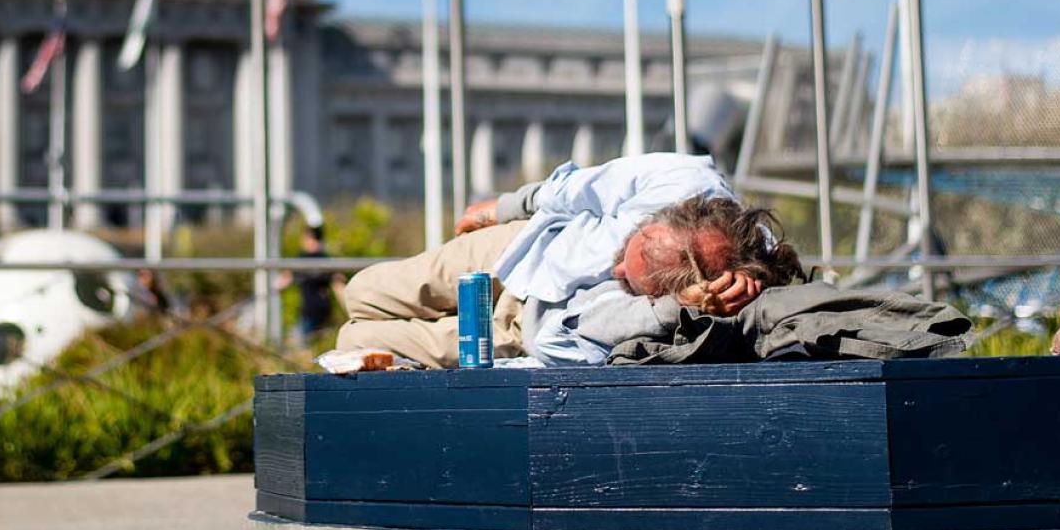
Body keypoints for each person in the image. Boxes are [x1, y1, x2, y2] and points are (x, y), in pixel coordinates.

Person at [335, 153, 803, 367]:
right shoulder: (680, 179)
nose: (616, 272)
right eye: (629, 251)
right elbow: (576, 188)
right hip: (523, 250)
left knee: (356, 337)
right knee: (363, 293)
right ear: (668, 217)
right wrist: (504, 207)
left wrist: (684, 304)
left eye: (633, 282)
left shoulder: (713, 291)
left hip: (523, 329)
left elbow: (587, 331)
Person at [278, 225, 344, 347]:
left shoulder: (301, 259)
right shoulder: (327, 259)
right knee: (322, 347)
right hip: (325, 311)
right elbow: (339, 285)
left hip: (309, 312)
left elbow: (282, 282)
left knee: (302, 346)